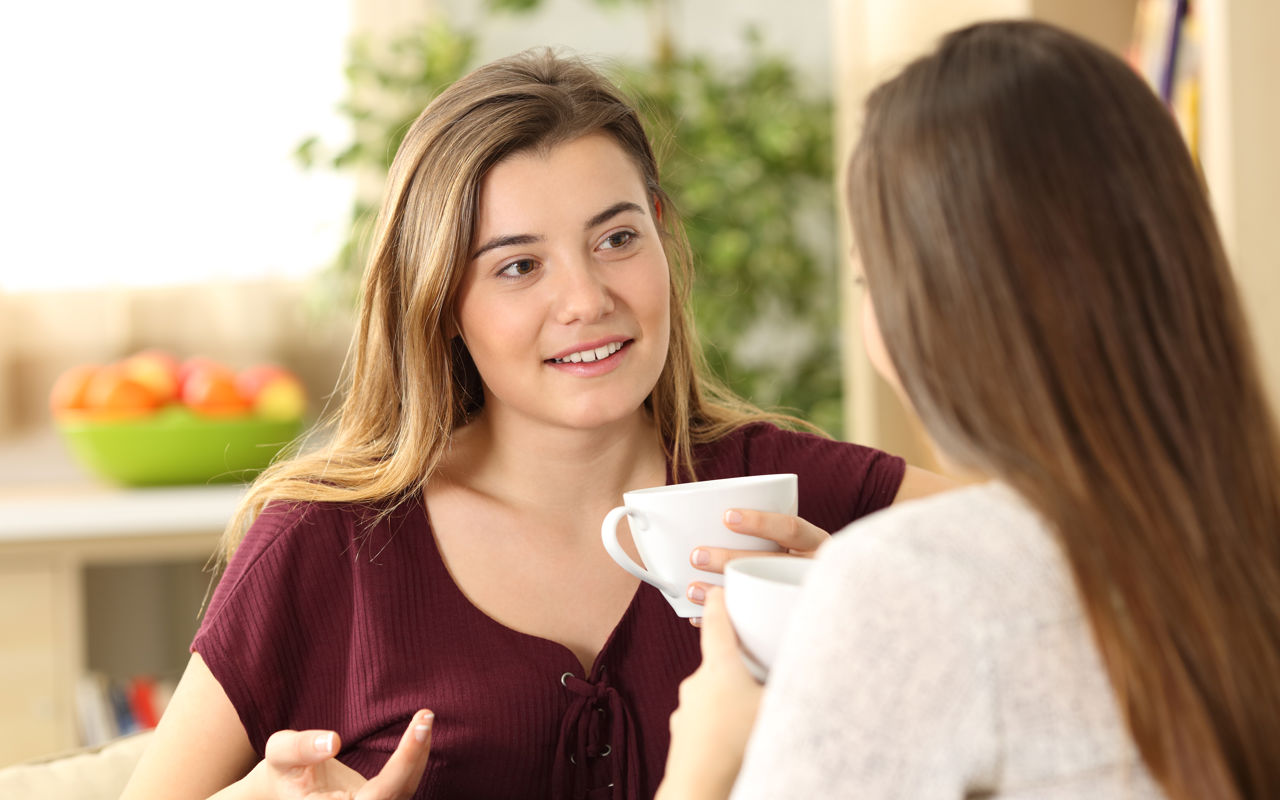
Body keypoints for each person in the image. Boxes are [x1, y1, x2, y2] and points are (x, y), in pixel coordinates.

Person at [119, 48, 948, 800]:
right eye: (518, 265)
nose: (587, 300)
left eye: (617, 238)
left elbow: (1069, 543)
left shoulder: (785, 497)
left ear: (663, 238)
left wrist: (871, 596)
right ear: (441, 300)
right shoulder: (323, 544)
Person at [659, 19, 1280, 800]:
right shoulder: (1241, 543)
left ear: (936, 303)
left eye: (864, 278)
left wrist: (703, 760)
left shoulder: (916, 583)